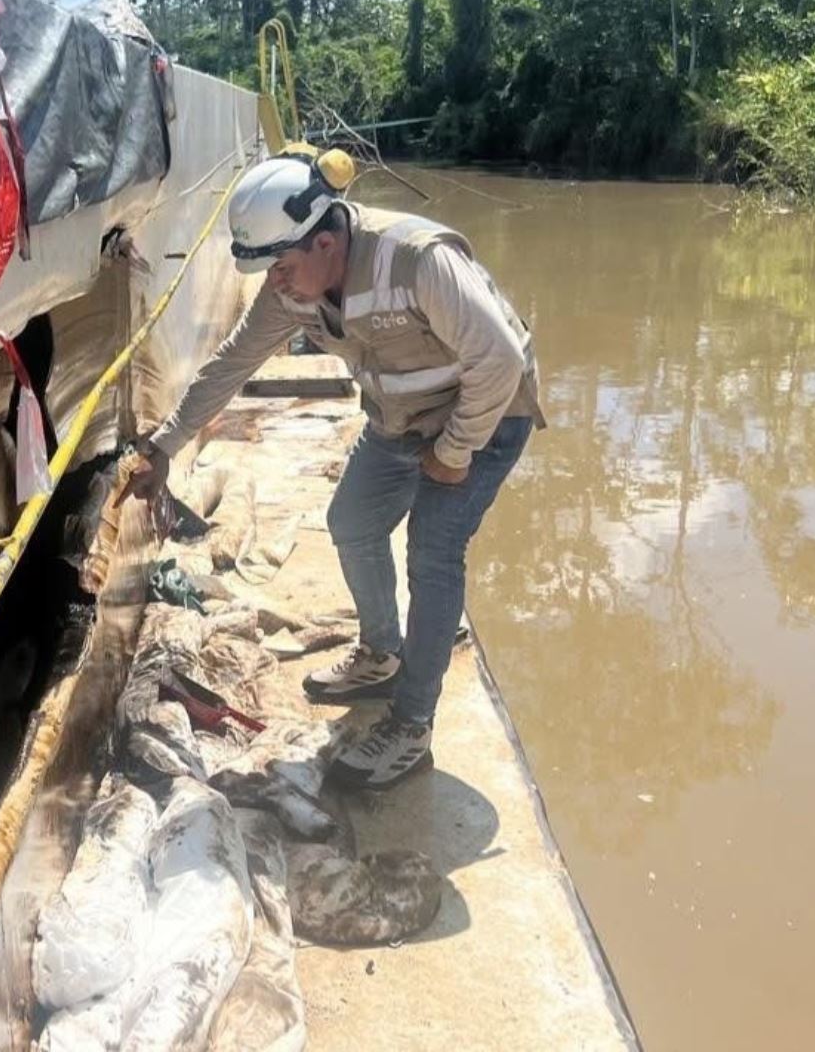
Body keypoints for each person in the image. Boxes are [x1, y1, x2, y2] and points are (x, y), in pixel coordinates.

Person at [129, 153, 545, 789]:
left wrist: (456, 451)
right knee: (351, 520)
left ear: (328, 239)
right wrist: (163, 446)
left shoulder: (415, 259)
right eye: (269, 270)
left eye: (284, 267)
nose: (277, 283)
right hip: (401, 415)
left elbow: (499, 359)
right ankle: (382, 653)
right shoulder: (295, 290)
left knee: (433, 551)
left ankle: (412, 726)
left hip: (484, 413)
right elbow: (231, 364)